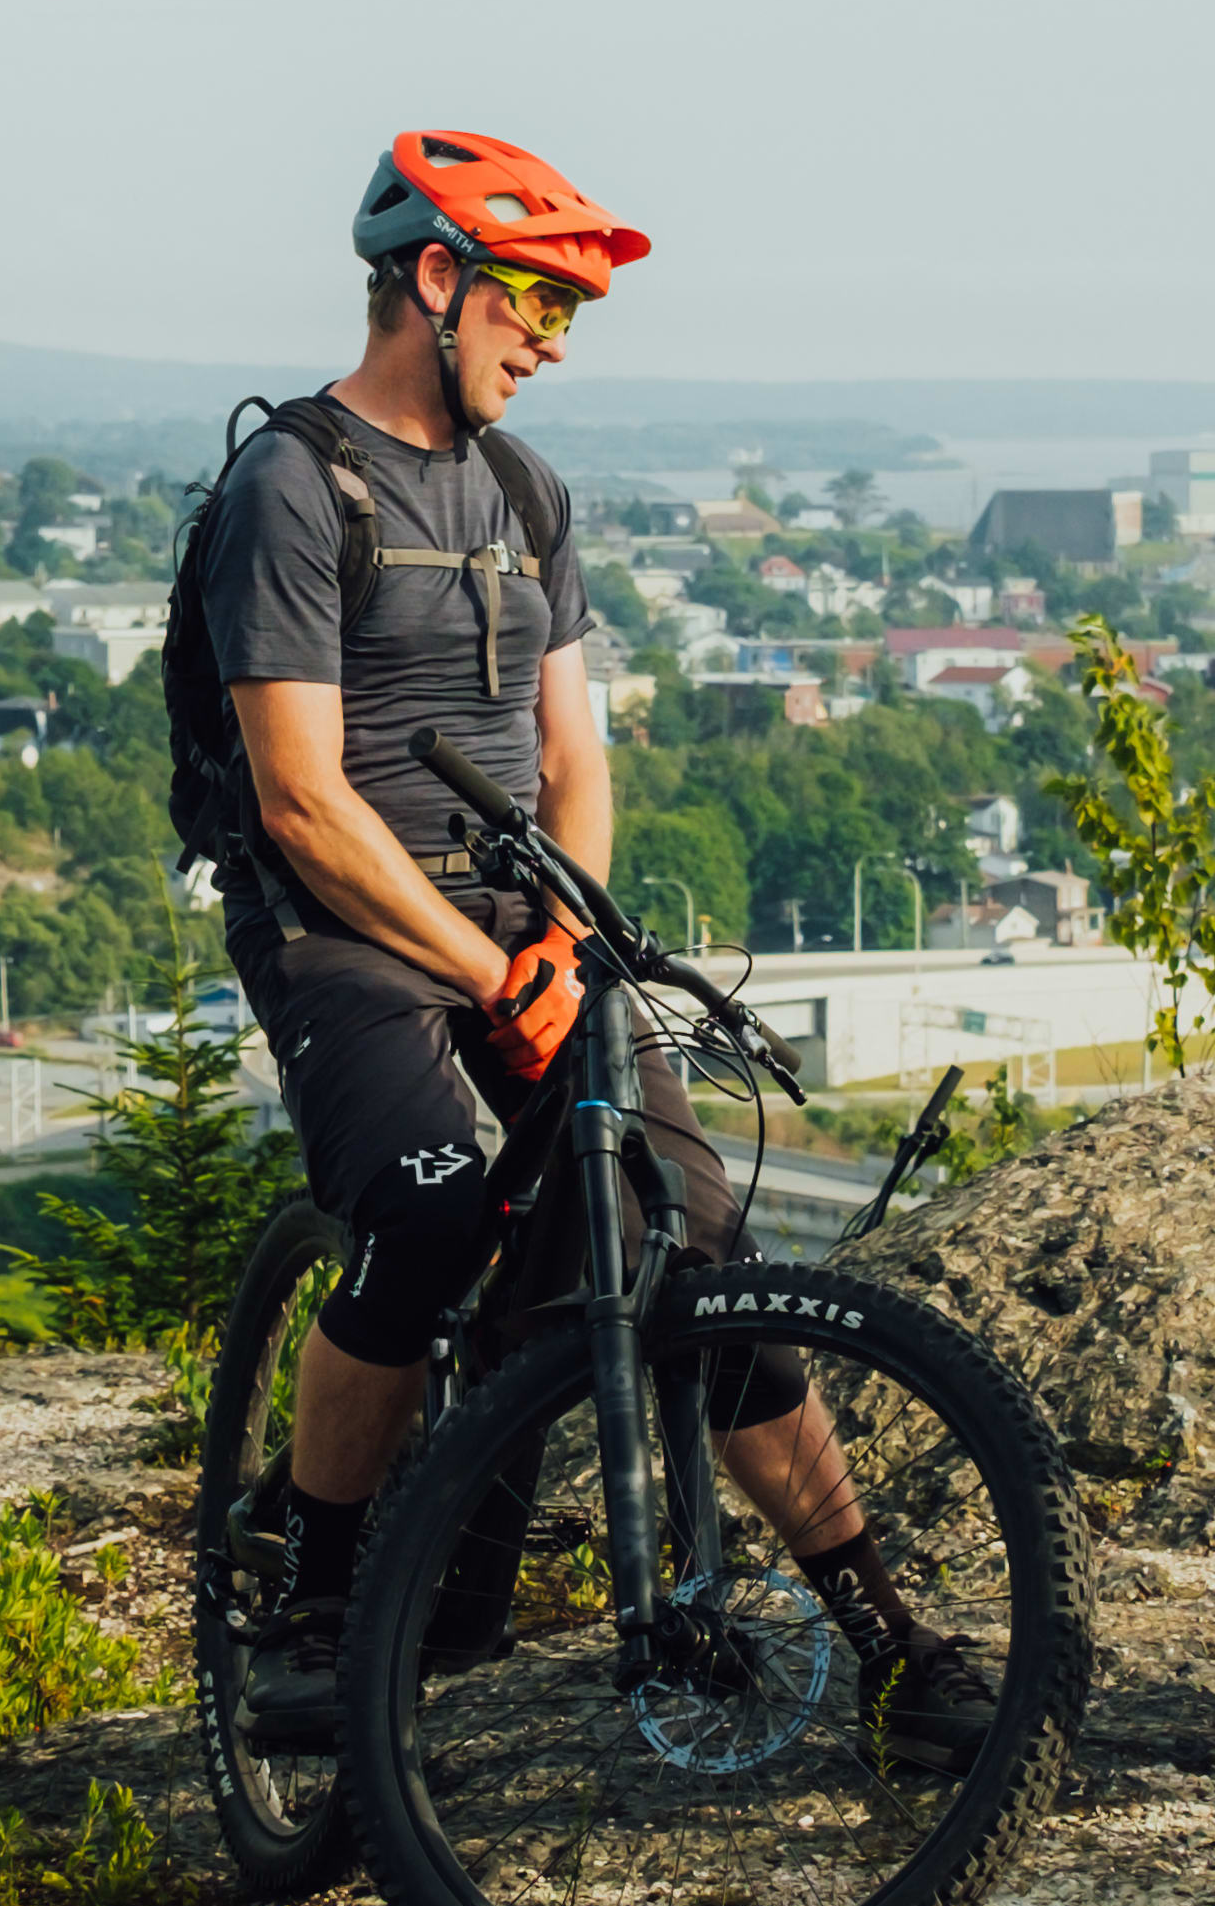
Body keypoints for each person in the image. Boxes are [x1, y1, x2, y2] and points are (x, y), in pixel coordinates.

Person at [192, 131, 991, 1772]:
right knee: (421, 1204)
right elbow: (300, 800)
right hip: (347, 931)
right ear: (436, 278)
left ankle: (883, 1632)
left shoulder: (525, 494)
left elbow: (577, 764)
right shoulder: (294, 486)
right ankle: (322, 1601)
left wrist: (558, 943)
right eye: (536, 302)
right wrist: (494, 978)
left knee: (699, 1234)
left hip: (513, 926)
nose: (553, 340)